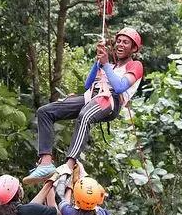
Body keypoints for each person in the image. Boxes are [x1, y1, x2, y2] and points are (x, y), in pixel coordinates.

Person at [23, 27, 144, 184]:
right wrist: (98, 63)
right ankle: (45, 163)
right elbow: (88, 85)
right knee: (45, 112)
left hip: (110, 101)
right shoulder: (111, 66)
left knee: (85, 115)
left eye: (126, 42)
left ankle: (70, 163)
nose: (120, 45)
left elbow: (120, 87)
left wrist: (106, 64)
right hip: (92, 96)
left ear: (133, 48)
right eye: (119, 41)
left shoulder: (135, 65)